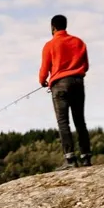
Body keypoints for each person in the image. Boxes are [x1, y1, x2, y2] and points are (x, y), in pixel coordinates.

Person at [39, 14, 90, 170]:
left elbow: (44, 69)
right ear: (65, 26)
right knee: (79, 121)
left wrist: (43, 81)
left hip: (60, 85)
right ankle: (86, 157)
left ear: (53, 27)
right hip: (78, 83)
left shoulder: (50, 45)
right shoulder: (79, 42)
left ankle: (70, 160)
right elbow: (86, 66)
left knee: (63, 122)